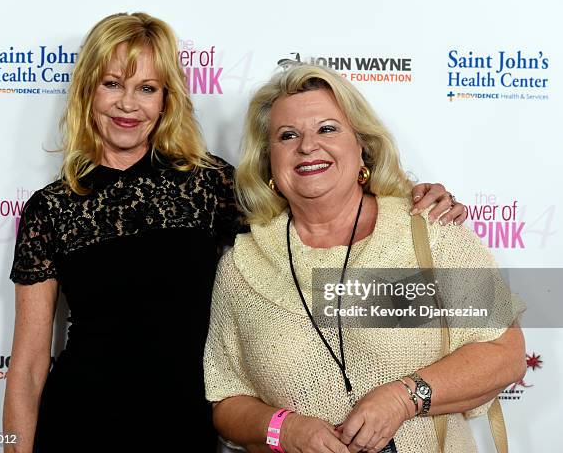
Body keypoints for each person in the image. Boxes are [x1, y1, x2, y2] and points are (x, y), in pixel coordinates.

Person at [2, 12, 467, 452]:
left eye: (147, 87)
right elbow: (26, 367)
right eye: (112, 84)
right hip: (78, 423)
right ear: (88, 90)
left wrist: (411, 197)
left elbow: (319, 199)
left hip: (184, 424)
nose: (128, 103)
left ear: (167, 100)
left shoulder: (208, 184)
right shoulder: (51, 209)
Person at [203, 64, 526, 453]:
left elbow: (504, 354)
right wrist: (283, 429)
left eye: (327, 129)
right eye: (288, 136)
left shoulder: (428, 231)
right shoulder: (242, 265)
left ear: (362, 147)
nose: (307, 146)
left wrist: (402, 398)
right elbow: (226, 398)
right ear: (268, 162)